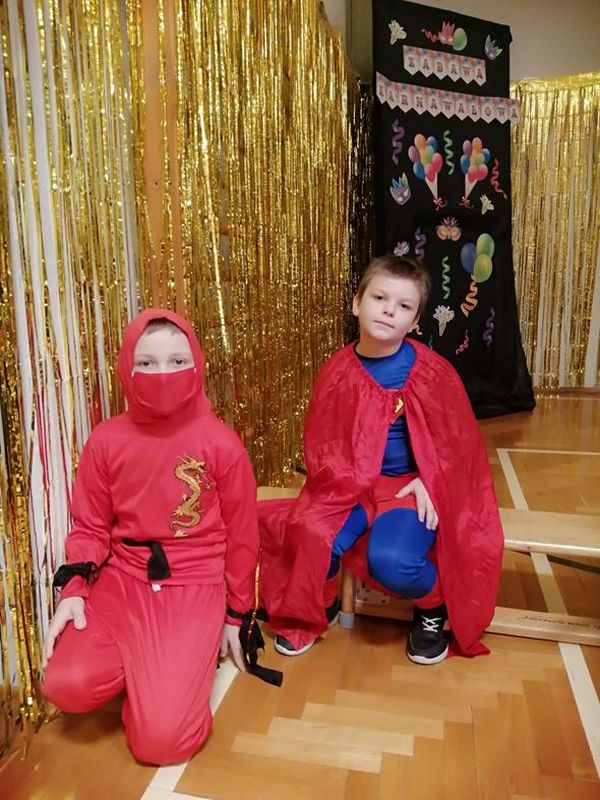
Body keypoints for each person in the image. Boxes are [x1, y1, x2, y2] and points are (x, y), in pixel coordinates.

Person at [42, 308, 281, 766]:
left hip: (192, 584)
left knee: (162, 744)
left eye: (177, 360)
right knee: (65, 685)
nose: (163, 373)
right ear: (127, 368)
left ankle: (166, 675)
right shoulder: (106, 440)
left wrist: (236, 615)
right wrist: (74, 589)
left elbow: (243, 536)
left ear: (197, 365)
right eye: (147, 362)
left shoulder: (221, 443)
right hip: (123, 580)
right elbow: (91, 525)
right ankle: (148, 670)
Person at [259, 255, 504, 664]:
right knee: (309, 531)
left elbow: (458, 447)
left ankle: (433, 606)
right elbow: (324, 443)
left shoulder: (433, 373)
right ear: (357, 304)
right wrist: (336, 486)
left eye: (404, 305)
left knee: (392, 561)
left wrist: (432, 481)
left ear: (415, 321)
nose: (389, 310)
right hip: (350, 484)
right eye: (379, 298)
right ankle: (320, 605)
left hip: (407, 487)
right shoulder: (337, 371)